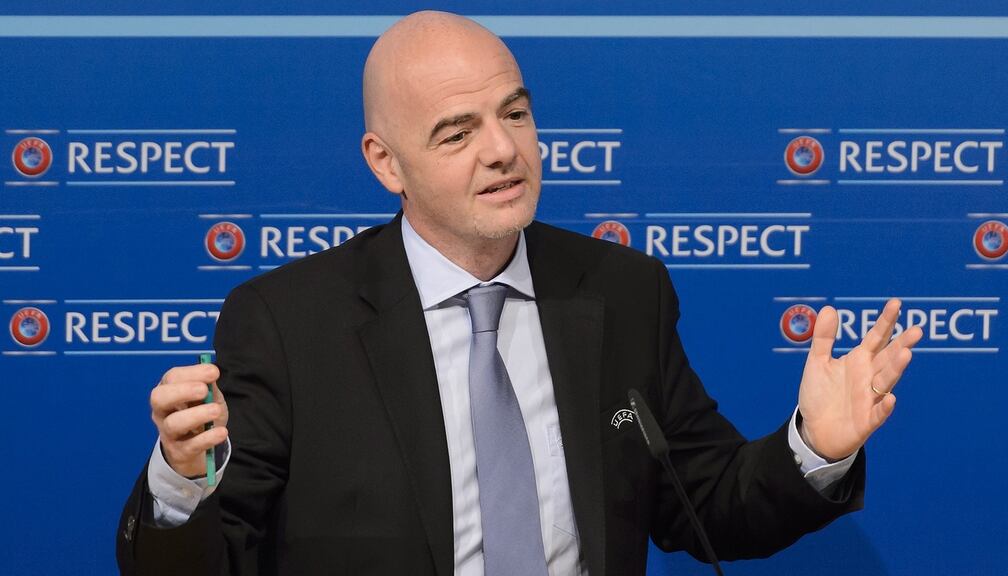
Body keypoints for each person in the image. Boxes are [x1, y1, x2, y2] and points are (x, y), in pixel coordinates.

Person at [116, 11, 922, 576]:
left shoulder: (622, 292)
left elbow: (707, 502)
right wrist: (183, 483)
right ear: (386, 163)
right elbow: (210, 560)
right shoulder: (288, 323)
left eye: (516, 113)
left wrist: (814, 447)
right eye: (457, 132)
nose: (503, 150)